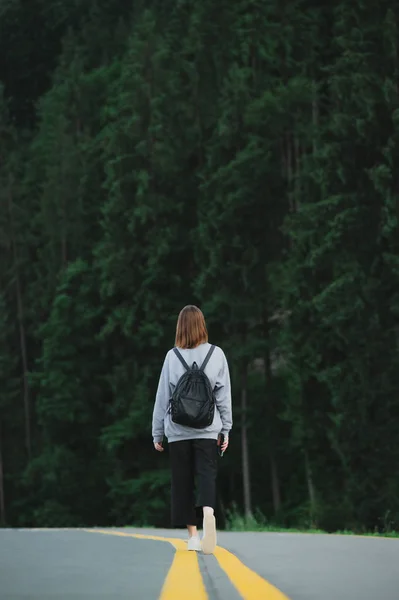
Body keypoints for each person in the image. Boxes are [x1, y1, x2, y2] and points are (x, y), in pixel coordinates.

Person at [152, 305, 232, 554]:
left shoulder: (171, 356)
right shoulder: (217, 354)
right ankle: (208, 511)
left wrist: (157, 432)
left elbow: (162, 397)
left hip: (178, 431)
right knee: (207, 474)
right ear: (202, 325)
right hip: (207, 429)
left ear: (180, 328)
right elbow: (223, 396)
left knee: (182, 481)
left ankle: (193, 536)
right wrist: (225, 429)